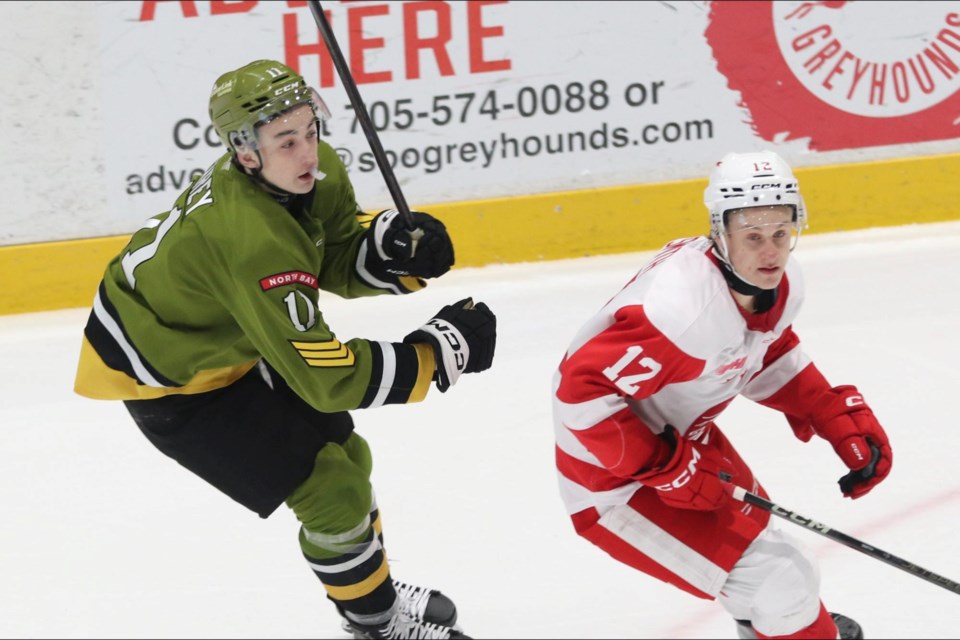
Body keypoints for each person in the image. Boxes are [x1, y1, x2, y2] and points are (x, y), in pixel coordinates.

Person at [74, 59, 497, 640]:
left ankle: (374, 595)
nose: (307, 154)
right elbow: (328, 377)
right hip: (170, 378)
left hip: (227, 337)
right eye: (286, 140)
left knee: (349, 454)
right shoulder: (249, 240)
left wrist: (392, 253)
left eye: (310, 130)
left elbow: (331, 253)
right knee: (332, 490)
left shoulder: (308, 174)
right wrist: (441, 350)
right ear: (246, 152)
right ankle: (375, 626)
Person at [551, 150, 892, 639]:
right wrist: (666, 469)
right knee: (778, 585)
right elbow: (579, 395)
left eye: (780, 234)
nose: (770, 252)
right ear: (720, 233)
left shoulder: (774, 285)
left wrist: (826, 409)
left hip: (683, 444)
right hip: (612, 482)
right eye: (752, 237)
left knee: (784, 575)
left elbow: (758, 350)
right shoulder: (677, 310)